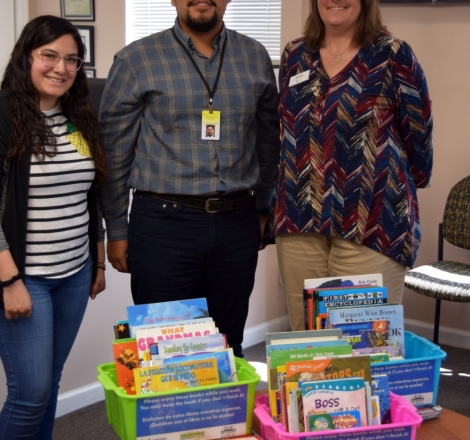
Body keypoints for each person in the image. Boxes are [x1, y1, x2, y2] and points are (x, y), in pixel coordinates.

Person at [99, 0, 280, 356]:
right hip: (164, 225)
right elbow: (114, 151)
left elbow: (268, 139)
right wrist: (116, 228)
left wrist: (263, 207)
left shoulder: (255, 56)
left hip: (237, 224)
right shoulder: (137, 60)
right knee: (166, 352)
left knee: (228, 346)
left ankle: (227, 413)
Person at [0, 15, 108, 439]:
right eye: (49, 55)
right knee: (29, 394)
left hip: (74, 275)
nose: (60, 68)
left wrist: (96, 263)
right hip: (23, 278)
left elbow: (91, 195)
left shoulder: (80, 117)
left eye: (72, 60)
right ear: (27, 56)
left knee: (49, 385)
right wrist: (10, 280)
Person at [266, 0, 433, 331]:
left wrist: (382, 182)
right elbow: (284, 131)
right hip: (300, 220)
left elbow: (419, 139)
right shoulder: (295, 55)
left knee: (361, 351)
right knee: (309, 350)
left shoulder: (394, 55)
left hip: (372, 221)